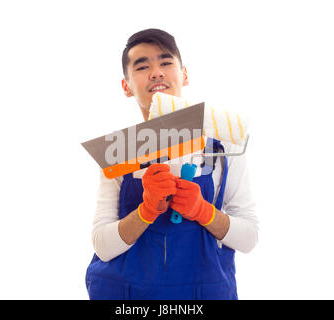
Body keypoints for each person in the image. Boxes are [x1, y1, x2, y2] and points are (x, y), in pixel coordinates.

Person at [85, 28, 258, 300]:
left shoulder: (223, 146)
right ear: (126, 86)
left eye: (165, 62)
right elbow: (102, 246)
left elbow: (249, 238)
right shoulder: (120, 152)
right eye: (142, 66)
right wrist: (146, 211)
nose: (156, 72)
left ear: (184, 74)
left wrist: (205, 212)